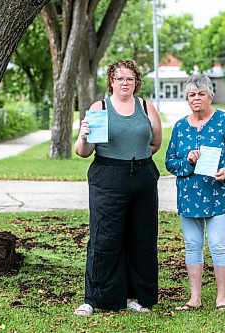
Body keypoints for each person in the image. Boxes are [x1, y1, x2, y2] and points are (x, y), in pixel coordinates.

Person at [73, 60, 162, 316]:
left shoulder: (146, 107)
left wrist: (135, 159)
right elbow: (83, 152)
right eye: (120, 78)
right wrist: (82, 136)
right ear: (111, 81)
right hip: (108, 177)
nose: (125, 83)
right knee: (104, 238)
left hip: (142, 177)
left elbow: (154, 142)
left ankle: (137, 296)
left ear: (136, 82)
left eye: (130, 79)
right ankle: (95, 299)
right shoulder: (100, 108)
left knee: (142, 239)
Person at [165, 74, 225, 311]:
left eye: (201, 94)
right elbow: (170, 162)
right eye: (192, 94)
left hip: (219, 195)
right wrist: (188, 160)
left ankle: (221, 300)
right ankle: (195, 298)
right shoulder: (180, 126)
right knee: (192, 245)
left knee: (219, 245)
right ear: (187, 98)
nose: (196, 98)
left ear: (210, 95)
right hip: (189, 197)